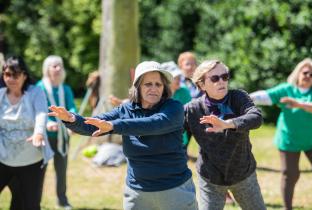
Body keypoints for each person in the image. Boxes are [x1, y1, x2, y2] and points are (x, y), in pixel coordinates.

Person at [48, 61, 198, 210]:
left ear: (164, 87)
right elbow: (94, 125)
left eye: (158, 84)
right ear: (137, 86)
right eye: (148, 84)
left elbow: (153, 124)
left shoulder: (173, 108)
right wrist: (72, 119)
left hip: (175, 190)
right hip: (137, 193)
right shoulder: (125, 110)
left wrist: (114, 126)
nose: (154, 89)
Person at [184, 59, 266, 210]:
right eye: (215, 78)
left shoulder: (238, 97)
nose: (221, 81)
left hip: (243, 173)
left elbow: (256, 118)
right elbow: (171, 129)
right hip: (210, 178)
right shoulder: (192, 109)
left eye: (225, 76)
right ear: (201, 85)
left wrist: (228, 124)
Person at [250, 58, 312, 210]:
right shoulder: (286, 89)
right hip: (288, 140)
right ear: (298, 73)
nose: (308, 76)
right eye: (305, 72)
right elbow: (265, 96)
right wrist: (242, 98)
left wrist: (298, 104)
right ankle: (288, 208)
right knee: (290, 174)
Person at [0, 56, 53, 210]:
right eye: (7, 74)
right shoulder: (1, 93)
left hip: (31, 162)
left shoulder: (35, 92)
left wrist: (38, 133)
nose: (10, 79)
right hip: (3, 158)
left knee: (28, 204)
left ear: (24, 75)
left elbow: (41, 114)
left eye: (15, 75)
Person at [37, 55, 77, 209]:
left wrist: (71, 122)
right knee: (39, 173)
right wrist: (47, 122)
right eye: (54, 66)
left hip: (63, 137)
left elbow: (72, 107)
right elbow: (39, 110)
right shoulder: (39, 87)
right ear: (47, 69)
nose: (58, 68)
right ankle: (35, 202)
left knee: (62, 171)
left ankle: (63, 201)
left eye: (60, 65)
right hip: (44, 137)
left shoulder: (65, 89)